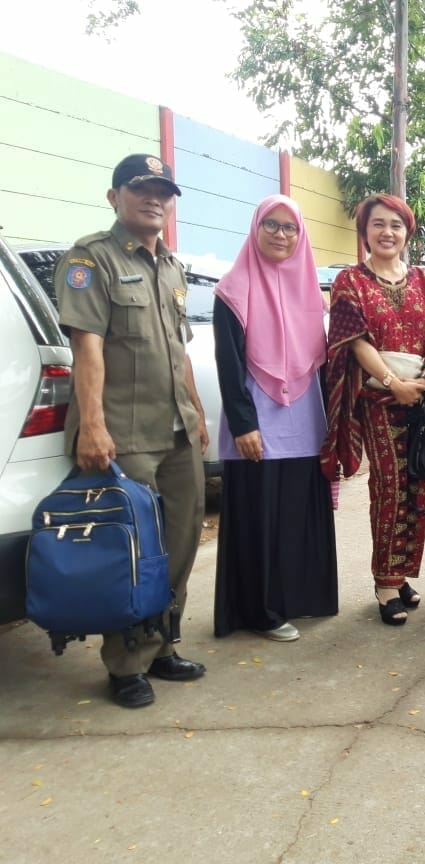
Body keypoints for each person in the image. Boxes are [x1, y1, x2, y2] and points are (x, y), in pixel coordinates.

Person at [55, 153, 209, 708]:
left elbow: (180, 351)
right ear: (114, 196)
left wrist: (196, 414)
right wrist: (91, 426)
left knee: (180, 543)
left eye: (163, 191)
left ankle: (163, 645)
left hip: (176, 433)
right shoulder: (90, 259)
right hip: (124, 436)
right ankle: (125, 665)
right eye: (142, 189)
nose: (155, 199)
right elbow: (86, 351)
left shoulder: (171, 265)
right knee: (130, 553)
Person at [212, 194, 338, 642]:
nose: (282, 235)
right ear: (256, 228)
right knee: (259, 516)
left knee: (295, 515)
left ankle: (299, 598)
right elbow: (228, 364)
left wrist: (336, 429)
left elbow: (322, 365)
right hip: (258, 421)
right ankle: (259, 610)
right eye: (272, 225)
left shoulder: (310, 293)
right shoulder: (233, 288)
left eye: (291, 228)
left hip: (305, 419)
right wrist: (244, 424)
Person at [321, 194, 425, 626]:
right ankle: (385, 582)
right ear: (364, 231)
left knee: (419, 489)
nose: (387, 232)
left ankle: (404, 572)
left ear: (407, 231)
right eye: (378, 224)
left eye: (395, 224)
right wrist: (395, 384)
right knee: (390, 488)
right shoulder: (350, 282)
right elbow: (353, 341)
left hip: (421, 401)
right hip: (377, 399)